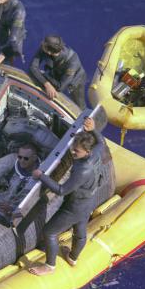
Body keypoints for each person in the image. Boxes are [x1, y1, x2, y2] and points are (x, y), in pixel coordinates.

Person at [29, 117, 103, 275]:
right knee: (80, 231)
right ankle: (73, 257)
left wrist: (41, 175)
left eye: (76, 151)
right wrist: (93, 130)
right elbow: (101, 142)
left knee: (49, 232)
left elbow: (62, 190)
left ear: (87, 152)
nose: (72, 152)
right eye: (73, 148)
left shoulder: (82, 170)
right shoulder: (96, 152)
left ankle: (49, 266)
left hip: (74, 207)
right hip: (88, 202)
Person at [29, 35, 87, 109]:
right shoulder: (45, 47)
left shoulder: (72, 62)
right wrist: (47, 84)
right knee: (46, 87)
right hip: (55, 71)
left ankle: (83, 118)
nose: (41, 43)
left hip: (75, 79)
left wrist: (44, 75)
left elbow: (60, 87)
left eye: (44, 44)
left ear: (49, 52)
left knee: (79, 104)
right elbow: (33, 67)